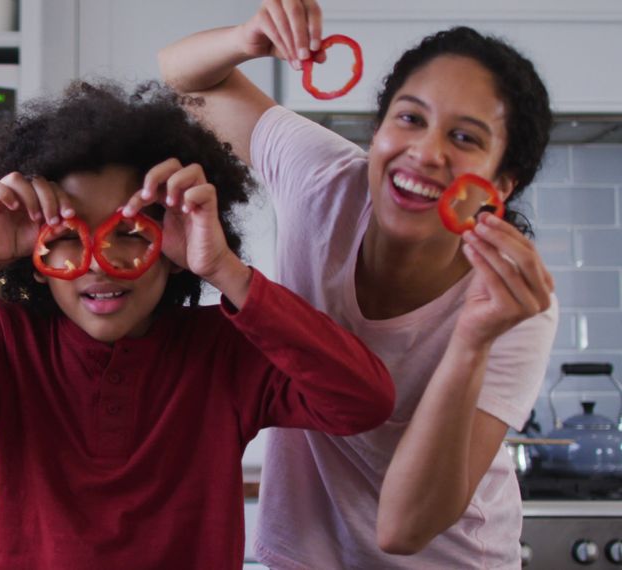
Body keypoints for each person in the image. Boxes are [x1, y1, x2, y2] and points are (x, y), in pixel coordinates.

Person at [0, 80, 396, 569]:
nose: (101, 262)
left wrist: (224, 269)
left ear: (174, 245)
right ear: (35, 252)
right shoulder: (9, 340)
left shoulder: (226, 351)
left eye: (130, 233)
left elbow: (364, 401)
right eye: (68, 235)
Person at [159, 2, 559, 567]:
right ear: (378, 130)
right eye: (410, 118)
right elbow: (185, 77)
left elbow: (403, 529)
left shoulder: (515, 307)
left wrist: (473, 340)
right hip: (303, 557)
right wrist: (246, 38)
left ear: (501, 184)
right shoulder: (323, 178)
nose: (425, 152)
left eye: (465, 138)